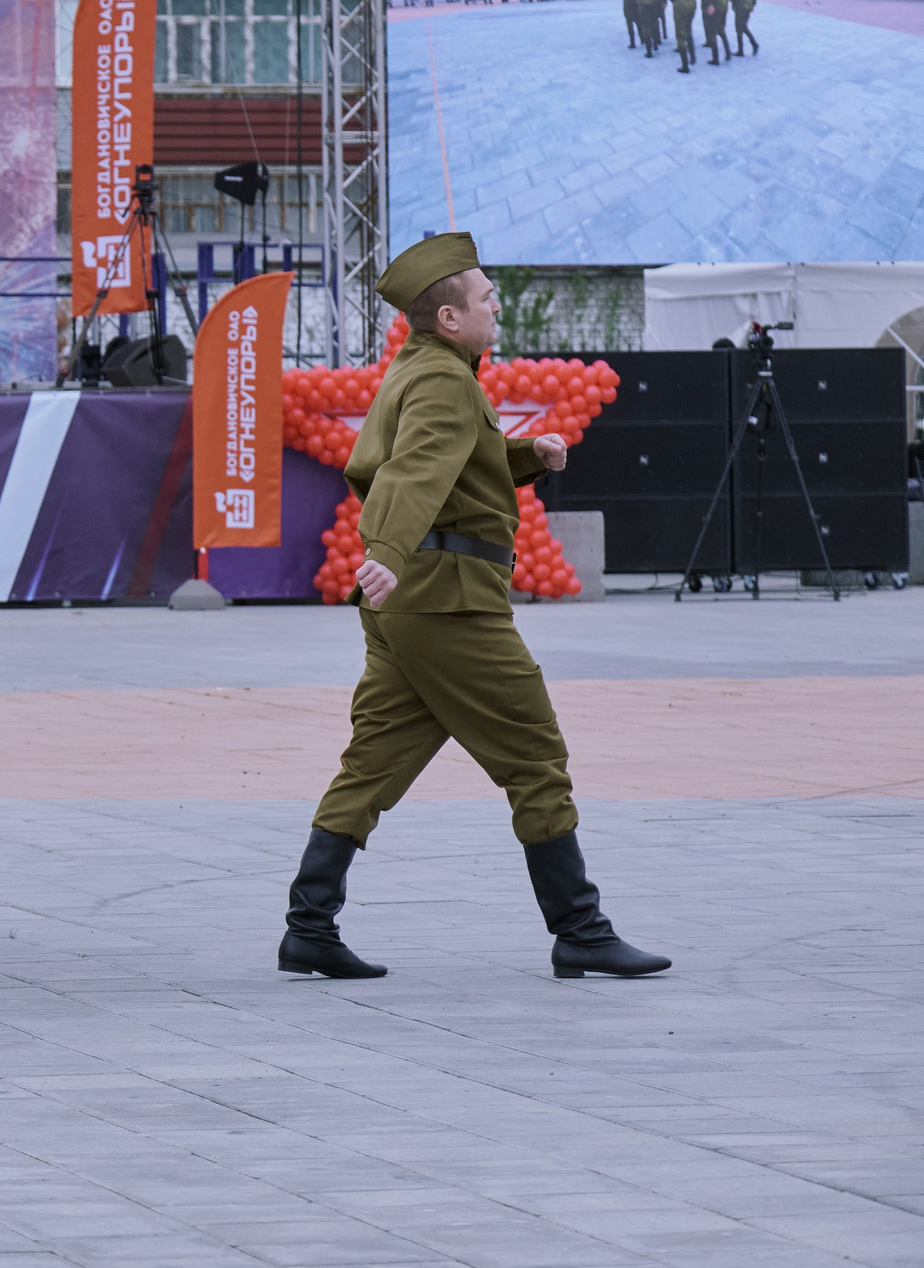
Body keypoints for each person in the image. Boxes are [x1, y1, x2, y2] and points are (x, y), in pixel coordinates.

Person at [278, 233, 670, 985]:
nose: (498, 307)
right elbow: (412, 473)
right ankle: (581, 930)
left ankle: (309, 925)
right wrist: (386, 554)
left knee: (374, 763)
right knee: (534, 755)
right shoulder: (446, 383)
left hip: (417, 605)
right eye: (487, 298)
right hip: (450, 602)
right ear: (451, 318)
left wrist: (525, 456)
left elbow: (426, 461)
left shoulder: (421, 370)